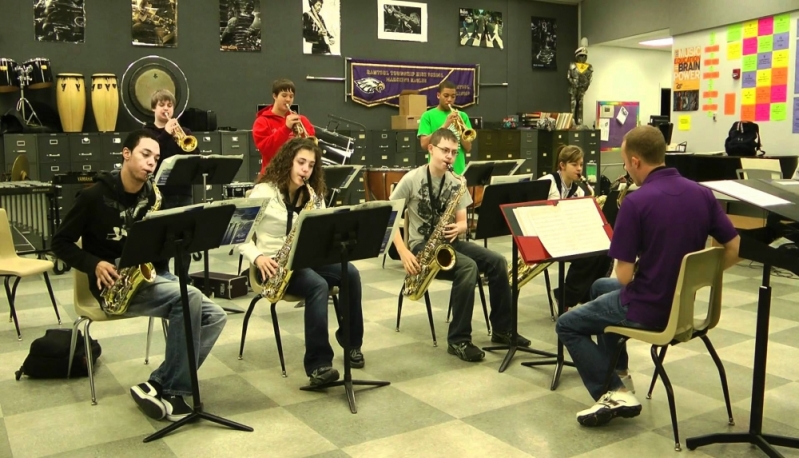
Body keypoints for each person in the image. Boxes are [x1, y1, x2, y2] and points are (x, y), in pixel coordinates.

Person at [555, 125, 740, 427]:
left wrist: (645, 267)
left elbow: (625, 277)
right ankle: (620, 370)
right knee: (600, 287)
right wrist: (694, 280)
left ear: (636, 161)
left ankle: (614, 391)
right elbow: (733, 247)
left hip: (648, 308)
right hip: (683, 309)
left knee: (567, 325)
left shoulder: (636, 202)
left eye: (626, 162)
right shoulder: (703, 194)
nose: (626, 168)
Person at [51, 130, 227, 422]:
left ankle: (159, 382)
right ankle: (174, 389)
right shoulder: (93, 196)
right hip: (113, 287)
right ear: (126, 153)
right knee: (190, 297)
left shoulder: (153, 196)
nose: (151, 163)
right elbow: (60, 243)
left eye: (156, 159)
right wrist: (94, 263)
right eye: (146, 155)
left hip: (149, 277)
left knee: (215, 316)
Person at [390, 128, 531, 362]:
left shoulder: (457, 181)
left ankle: (502, 329)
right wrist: (402, 251)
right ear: (431, 149)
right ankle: (458, 340)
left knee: (498, 261)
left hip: (448, 244)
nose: (450, 157)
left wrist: (462, 227)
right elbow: (389, 218)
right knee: (468, 268)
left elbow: (463, 221)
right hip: (421, 247)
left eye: (454, 152)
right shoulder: (412, 179)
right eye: (445, 151)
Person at [239, 138, 365, 386]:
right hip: (273, 265)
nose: (305, 169)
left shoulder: (313, 196)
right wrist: (258, 257)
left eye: (311, 165)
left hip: (306, 257)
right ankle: (319, 365)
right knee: (317, 285)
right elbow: (239, 234)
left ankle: (351, 342)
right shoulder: (264, 192)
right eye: (301, 162)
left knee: (350, 272)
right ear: (288, 161)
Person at [538, 145, 613, 308]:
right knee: (588, 256)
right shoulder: (546, 183)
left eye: (581, 164)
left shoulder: (578, 191)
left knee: (604, 252)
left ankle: (585, 296)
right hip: (545, 236)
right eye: (574, 164)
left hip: (567, 237)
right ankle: (567, 297)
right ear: (562, 165)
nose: (579, 169)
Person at [144, 89, 195, 284]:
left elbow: (194, 153)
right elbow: (152, 153)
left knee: (185, 240)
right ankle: (162, 278)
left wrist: (178, 136)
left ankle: (184, 280)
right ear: (153, 109)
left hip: (183, 192)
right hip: (159, 194)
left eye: (169, 105)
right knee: (162, 238)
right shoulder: (148, 132)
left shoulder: (184, 132)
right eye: (162, 105)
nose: (166, 108)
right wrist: (166, 134)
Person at [252, 79, 315, 175]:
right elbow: (267, 150)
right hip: (273, 175)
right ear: (274, 96)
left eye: (291, 96)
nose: (288, 100)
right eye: (284, 95)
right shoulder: (262, 121)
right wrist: (286, 128)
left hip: (297, 176)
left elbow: (311, 150)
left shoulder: (302, 120)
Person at [418, 80, 473, 175]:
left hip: (459, 172)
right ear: (438, 95)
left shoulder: (462, 116)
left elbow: (468, 148)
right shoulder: (427, 116)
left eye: (453, 96)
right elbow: (424, 144)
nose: (449, 100)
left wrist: (460, 130)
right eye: (446, 96)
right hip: (437, 173)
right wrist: (445, 125)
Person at [568, 47, 593, 127]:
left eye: (584, 56)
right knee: (573, 103)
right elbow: (568, 76)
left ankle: (580, 120)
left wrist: (586, 86)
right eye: (581, 56)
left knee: (580, 104)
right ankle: (572, 120)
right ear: (577, 56)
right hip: (574, 88)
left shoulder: (588, 67)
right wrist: (573, 82)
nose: (583, 58)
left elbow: (590, 78)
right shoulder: (573, 65)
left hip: (582, 88)